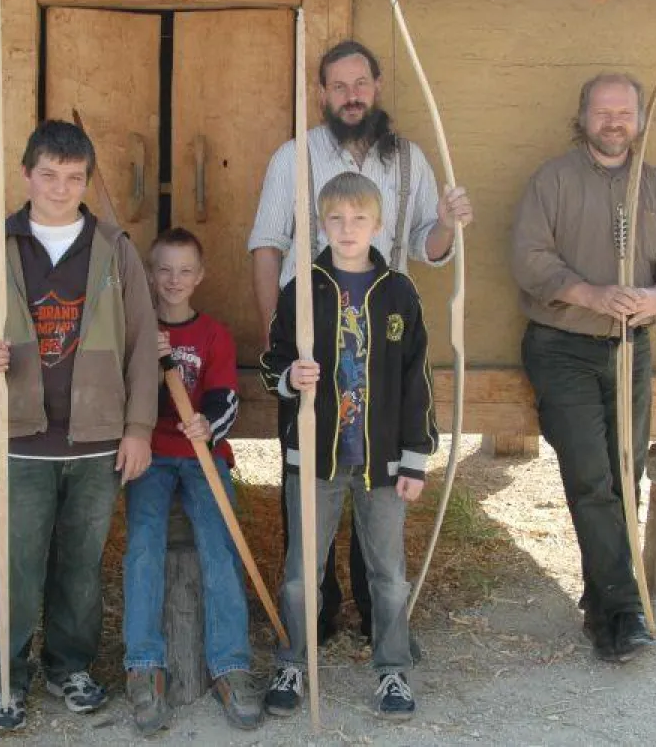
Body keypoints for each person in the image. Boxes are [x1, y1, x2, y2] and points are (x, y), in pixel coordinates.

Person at [248, 39, 472, 640]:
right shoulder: (294, 157)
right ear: (323, 93)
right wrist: (283, 337)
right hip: (311, 346)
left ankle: (378, 618)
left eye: (361, 84)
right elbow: (267, 243)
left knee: (377, 477)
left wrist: (447, 225)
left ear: (376, 86)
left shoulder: (408, 161)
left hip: (384, 345)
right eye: (339, 86)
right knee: (311, 475)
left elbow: (429, 245)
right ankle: (313, 617)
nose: (351, 96)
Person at [0, 120, 157, 732]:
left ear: (86, 179)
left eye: (73, 178)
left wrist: (138, 426)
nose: (60, 189)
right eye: (48, 176)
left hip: (96, 438)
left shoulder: (113, 249)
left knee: (80, 564)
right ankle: (6, 678)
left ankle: (72, 667)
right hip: (21, 437)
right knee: (15, 564)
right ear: (26, 175)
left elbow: (143, 345)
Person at [511, 72, 656, 662]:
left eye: (624, 113)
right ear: (583, 116)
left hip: (630, 347)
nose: (613, 122)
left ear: (639, 121)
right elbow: (529, 258)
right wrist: (590, 293)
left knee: (624, 475)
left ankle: (605, 605)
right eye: (602, 112)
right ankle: (626, 611)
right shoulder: (553, 180)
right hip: (562, 345)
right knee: (592, 476)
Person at [259, 172, 438, 721]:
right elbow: (272, 365)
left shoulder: (399, 294)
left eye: (359, 219)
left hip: (381, 461)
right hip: (314, 455)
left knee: (387, 573)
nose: (347, 229)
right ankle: (293, 660)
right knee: (300, 571)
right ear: (320, 224)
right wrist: (293, 376)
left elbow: (416, 381)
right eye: (334, 219)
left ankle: (392, 670)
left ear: (379, 225)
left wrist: (416, 458)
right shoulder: (302, 290)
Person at [122, 228, 261, 735]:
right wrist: (143, 352)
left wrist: (207, 425)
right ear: (149, 274)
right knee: (143, 546)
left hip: (203, 453)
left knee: (220, 547)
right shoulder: (135, 330)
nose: (174, 279)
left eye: (185, 270)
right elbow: (121, 395)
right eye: (164, 269)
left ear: (199, 277)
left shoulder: (214, 336)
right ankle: (143, 665)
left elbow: (224, 399)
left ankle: (231, 666)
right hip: (152, 455)